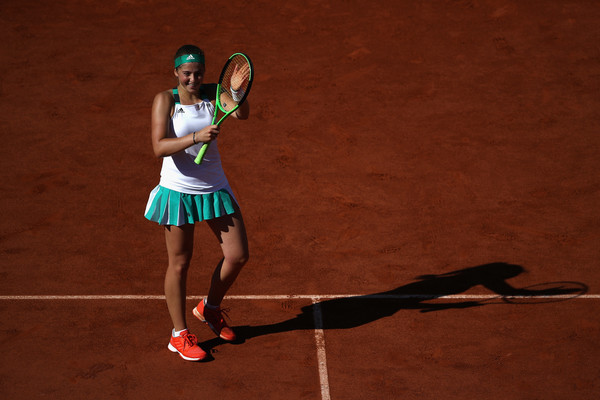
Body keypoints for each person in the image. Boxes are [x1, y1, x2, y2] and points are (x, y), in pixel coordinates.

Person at [144, 45, 250, 361]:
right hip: (177, 191)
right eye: (186, 73)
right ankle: (178, 334)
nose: (193, 79)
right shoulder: (165, 100)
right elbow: (158, 147)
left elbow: (242, 113)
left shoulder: (214, 93)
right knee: (180, 262)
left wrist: (235, 90)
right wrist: (195, 138)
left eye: (198, 72)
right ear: (176, 72)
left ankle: (210, 308)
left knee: (238, 255)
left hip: (215, 188)